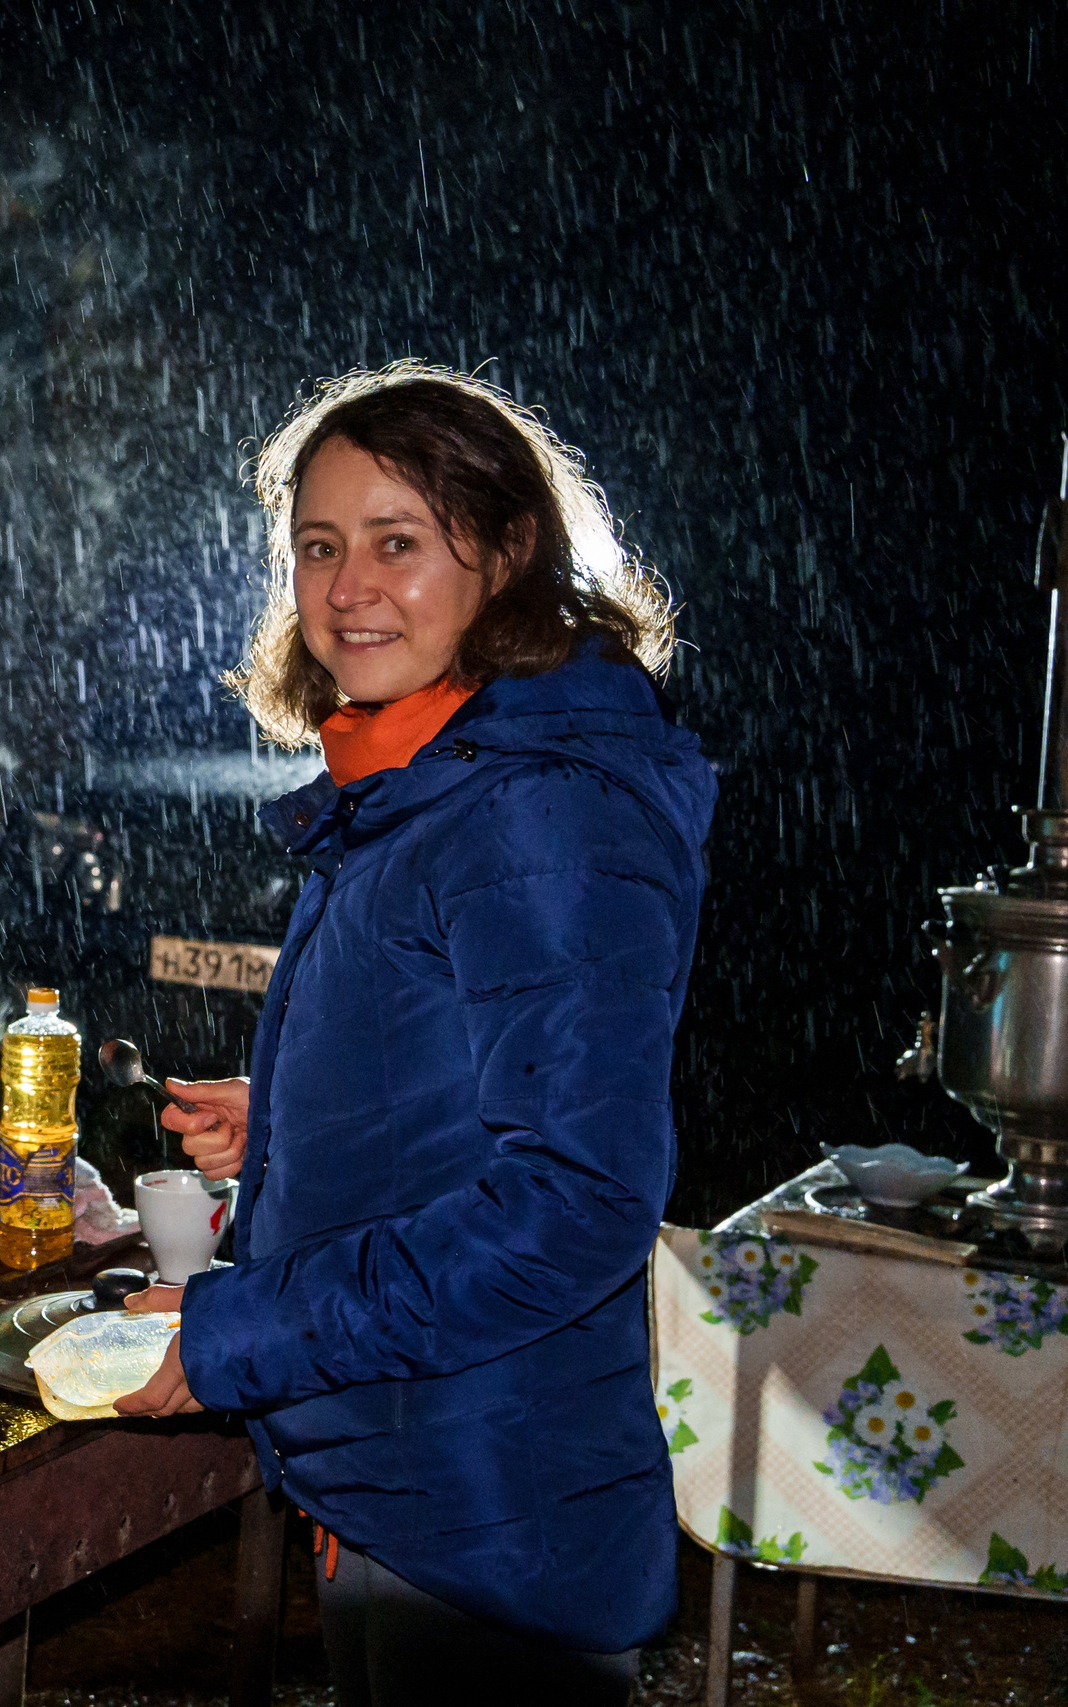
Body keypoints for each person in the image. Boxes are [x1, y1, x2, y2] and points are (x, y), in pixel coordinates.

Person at [115, 364, 714, 1703]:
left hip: (492, 1506)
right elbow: (488, 1078)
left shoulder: (537, 807)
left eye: (398, 540)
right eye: (319, 547)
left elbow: (574, 1201)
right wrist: (300, 1126)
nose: (345, 589)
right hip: (412, 1473)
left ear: (507, 552)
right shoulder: (430, 777)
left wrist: (229, 1336)